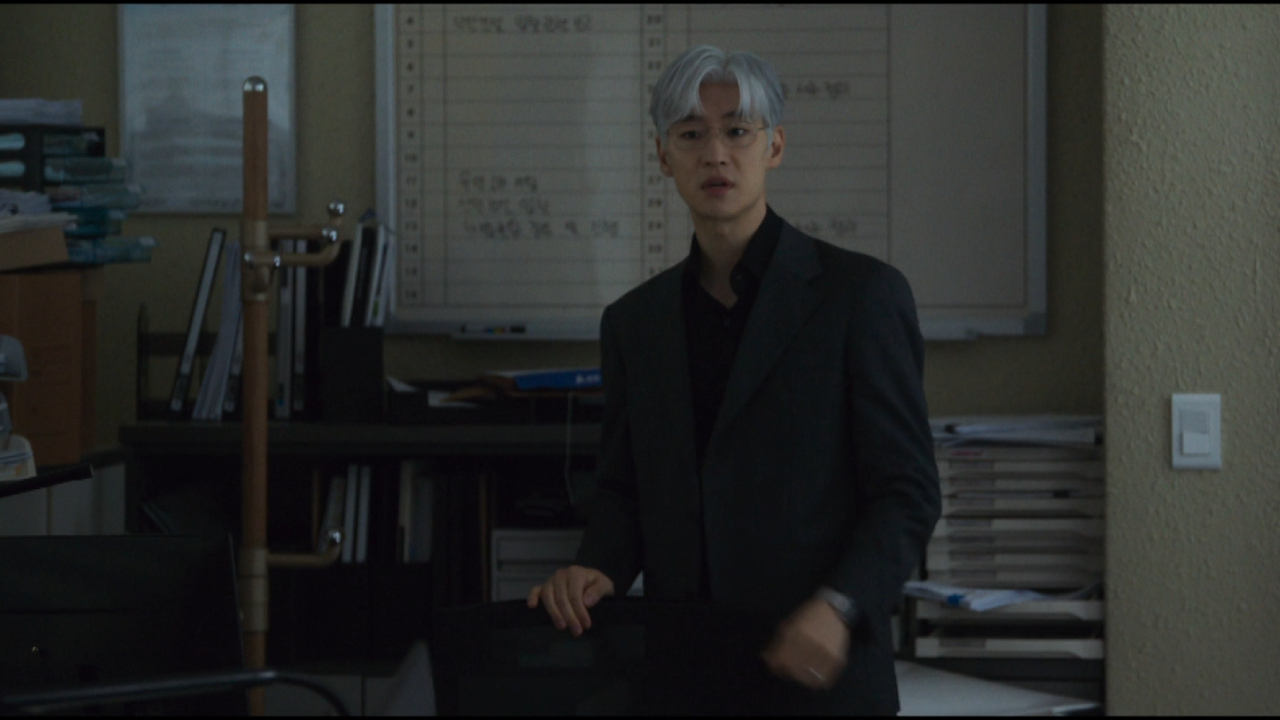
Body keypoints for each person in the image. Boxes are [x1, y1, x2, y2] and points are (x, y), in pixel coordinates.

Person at [528, 44, 940, 714]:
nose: (715, 154)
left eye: (738, 131)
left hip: (819, 673)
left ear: (774, 146)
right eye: (691, 134)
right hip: (685, 675)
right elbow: (625, 489)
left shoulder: (859, 296)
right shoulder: (635, 322)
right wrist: (596, 567)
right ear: (664, 156)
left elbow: (907, 492)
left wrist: (840, 605)